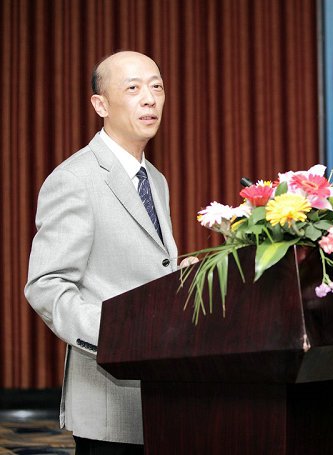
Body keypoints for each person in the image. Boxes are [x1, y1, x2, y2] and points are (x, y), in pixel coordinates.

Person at [25, 51, 178, 454]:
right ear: (101, 105)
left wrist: (182, 276)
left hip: (160, 399)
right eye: (133, 88)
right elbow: (47, 286)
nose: (150, 98)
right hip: (109, 403)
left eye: (157, 87)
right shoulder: (74, 178)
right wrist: (119, 337)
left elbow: (142, 268)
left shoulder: (155, 179)